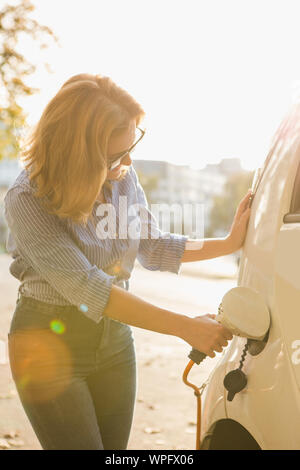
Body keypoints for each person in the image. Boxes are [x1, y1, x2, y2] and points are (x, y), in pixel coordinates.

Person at [4, 73, 251, 450]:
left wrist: (230, 242)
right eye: (117, 153)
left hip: (115, 340)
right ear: (78, 151)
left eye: (133, 142)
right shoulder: (26, 198)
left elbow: (152, 246)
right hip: (47, 344)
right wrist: (186, 326)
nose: (129, 160)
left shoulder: (121, 177)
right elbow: (90, 288)